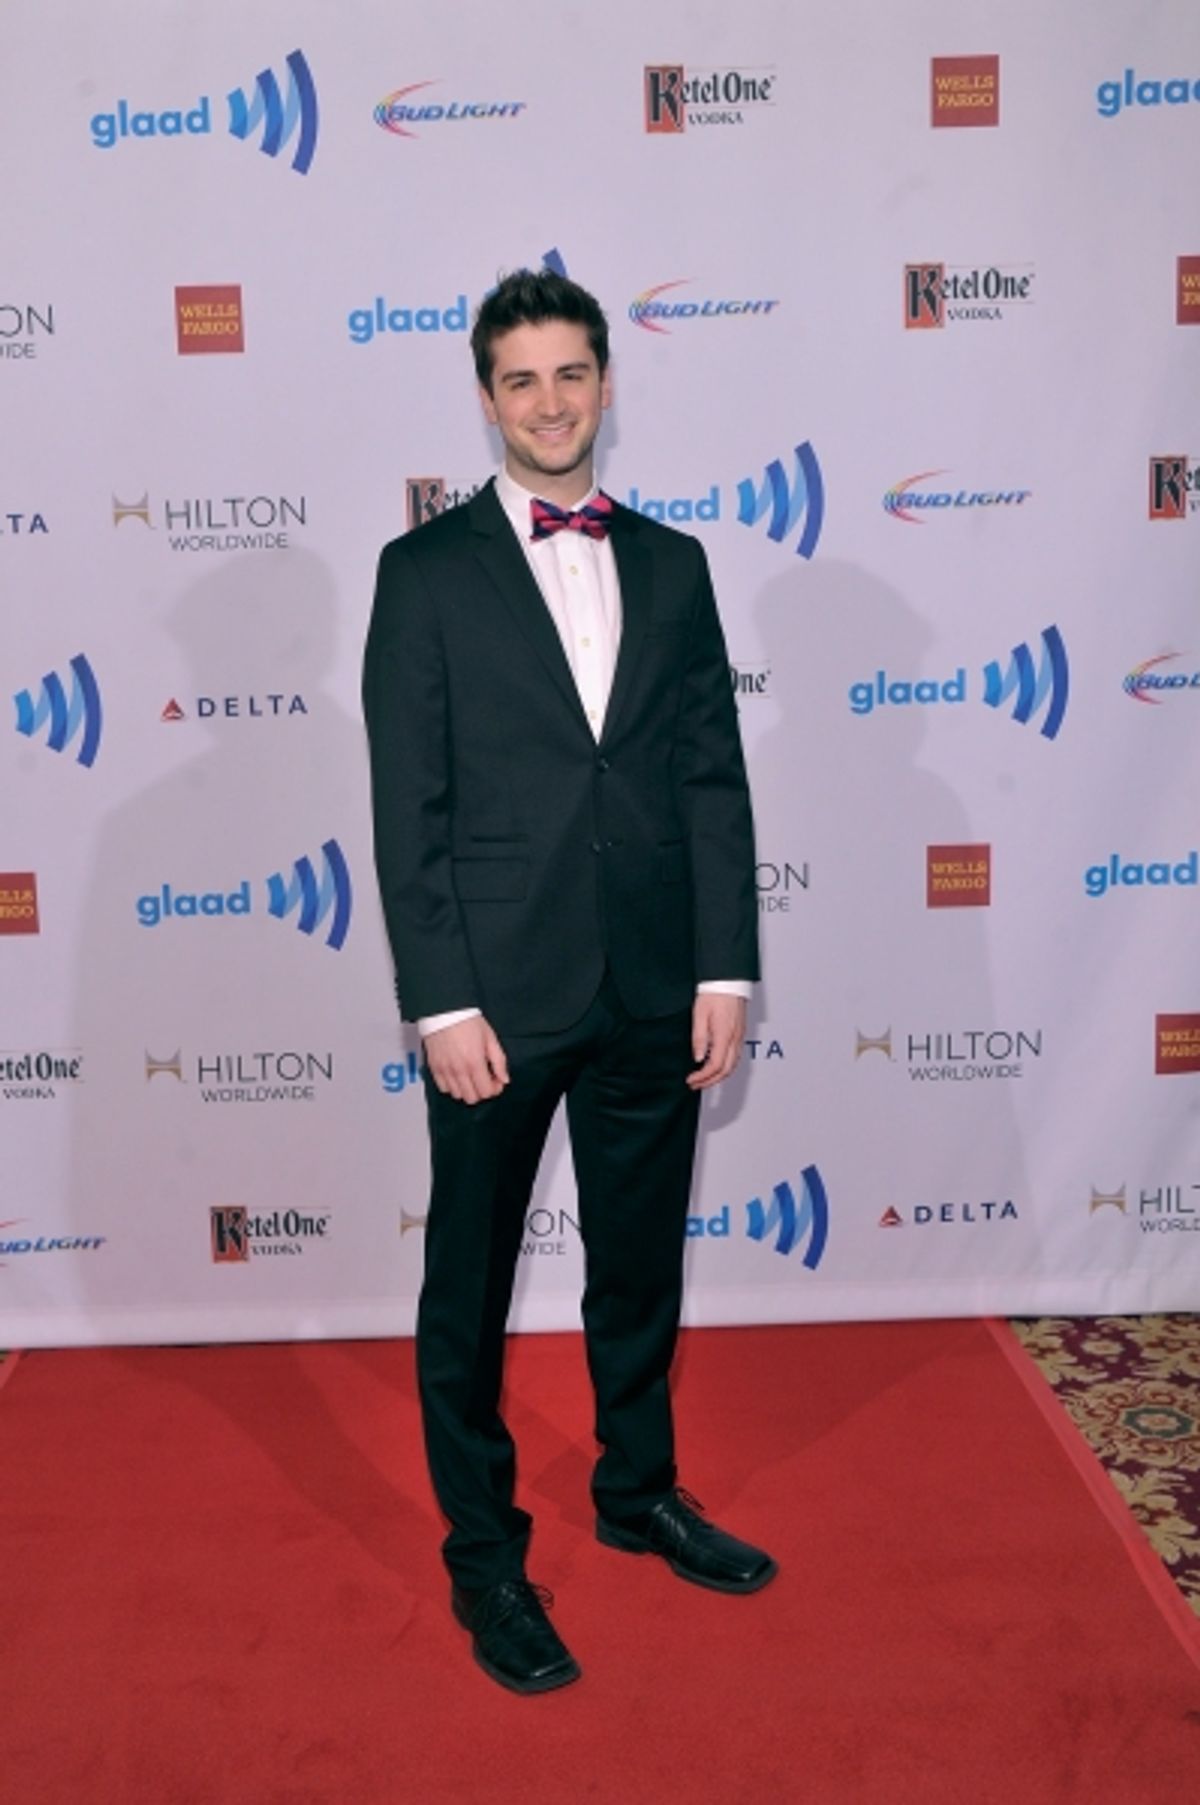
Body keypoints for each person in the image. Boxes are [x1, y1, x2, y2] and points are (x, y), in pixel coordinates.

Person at [362, 269, 774, 1696]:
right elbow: (406, 803)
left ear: (607, 383)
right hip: (496, 998)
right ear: (487, 398)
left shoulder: (676, 565)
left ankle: (637, 1487)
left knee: (638, 1264)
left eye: (572, 374)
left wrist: (725, 964)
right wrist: (440, 999)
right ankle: (486, 1564)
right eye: (521, 379)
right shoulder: (421, 577)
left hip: (653, 985)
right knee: (465, 1295)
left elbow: (711, 779)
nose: (550, 402)